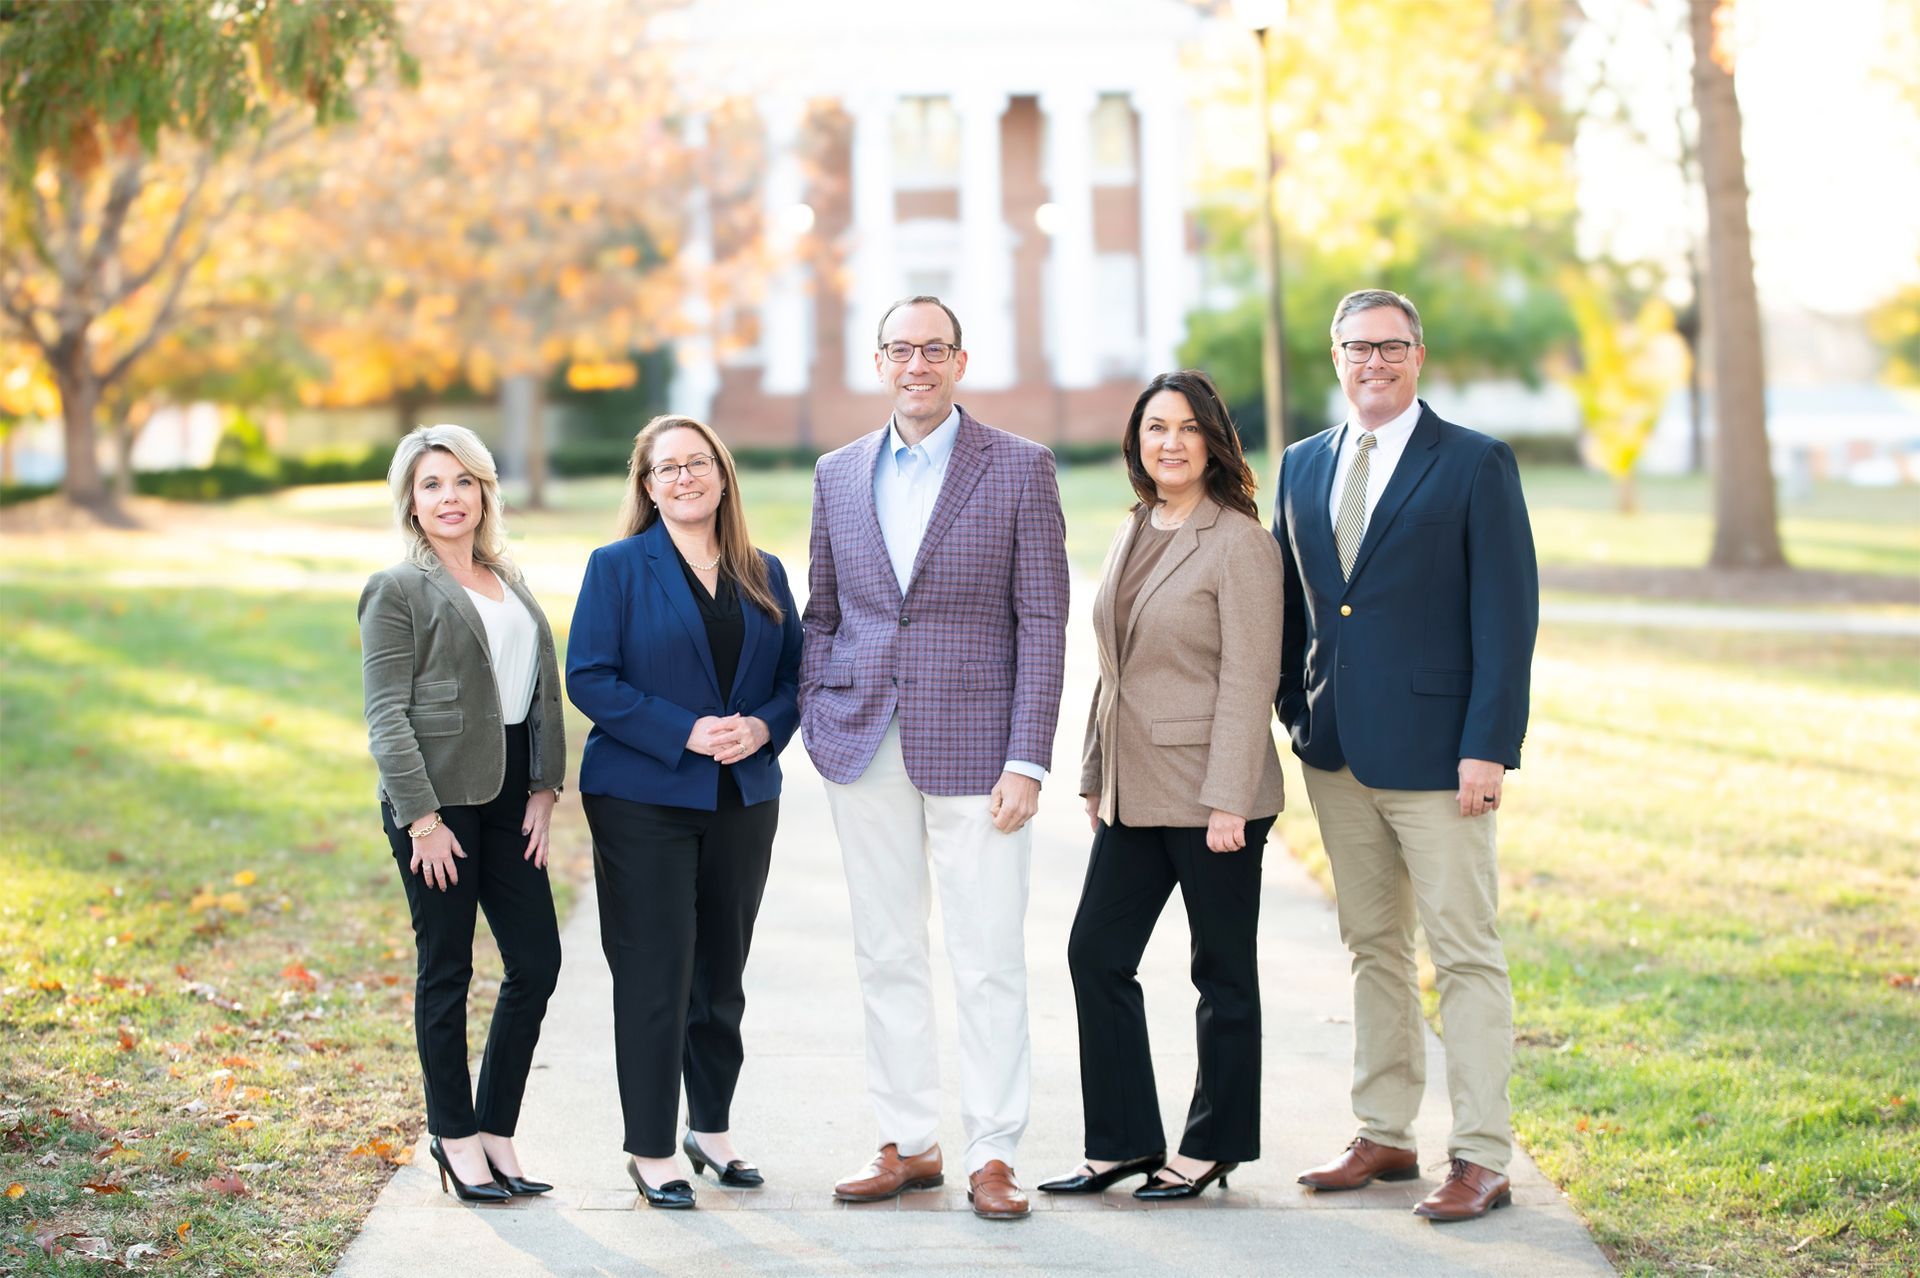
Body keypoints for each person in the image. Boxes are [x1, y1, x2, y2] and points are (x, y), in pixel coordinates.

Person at [801, 295, 1069, 1220]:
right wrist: (816, 708)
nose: (917, 364)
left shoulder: (1022, 469)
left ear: (961, 361)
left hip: (980, 750)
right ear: (880, 361)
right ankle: (909, 1143)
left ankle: (994, 1153)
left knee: (988, 957)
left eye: (934, 349)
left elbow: (1044, 621)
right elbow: (823, 612)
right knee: (886, 951)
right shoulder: (838, 473)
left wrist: (1028, 758)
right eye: (900, 349)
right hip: (862, 739)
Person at [1273, 290, 1539, 1222]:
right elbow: (1295, 605)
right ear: (1336, 356)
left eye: (1391, 345)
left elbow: (1507, 617)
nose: (1373, 361)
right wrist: (1290, 709)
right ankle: (1385, 1131)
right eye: (1357, 346)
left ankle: (1481, 1156)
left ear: (1418, 354)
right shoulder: (1304, 464)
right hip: (1335, 752)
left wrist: (1489, 748)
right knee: (1372, 947)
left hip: (1441, 759)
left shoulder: (1473, 462)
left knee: (1465, 954)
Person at [1039, 369, 1286, 1203]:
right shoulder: (1134, 527)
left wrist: (1228, 801)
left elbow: (1251, 678)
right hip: (1133, 791)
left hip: (1213, 795)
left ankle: (1214, 1144)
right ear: (1136, 443)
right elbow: (1114, 665)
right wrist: (1092, 770)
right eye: (1154, 429)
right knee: (1096, 956)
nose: (1169, 442)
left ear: (1213, 440)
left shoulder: (1241, 541)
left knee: (1220, 972)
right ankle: (1121, 1143)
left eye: (1184, 427)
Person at [566, 415, 801, 1210]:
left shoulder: (764, 572)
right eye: (666, 468)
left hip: (742, 796)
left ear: (723, 476)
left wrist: (764, 726)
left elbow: (796, 680)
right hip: (643, 797)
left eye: (697, 463)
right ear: (647, 486)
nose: (684, 477)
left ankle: (712, 1126)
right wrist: (684, 730)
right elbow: (589, 678)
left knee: (721, 974)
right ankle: (651, 1147)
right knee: (656, 972)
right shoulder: (618, 567)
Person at [359, 424, 566, 1205]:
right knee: (447, 968)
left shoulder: (506, 580)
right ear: (411, 504)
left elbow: (539, 691)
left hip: (513, 797)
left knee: (536, 964)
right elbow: (385, 715)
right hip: (437, 804)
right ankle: (453, 1136)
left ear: (484, 490)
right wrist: (421, 819)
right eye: (431, 485)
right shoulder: (398, 589)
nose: (450, 498)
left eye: (462, 482)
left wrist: (544, 789)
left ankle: (496, 1129)